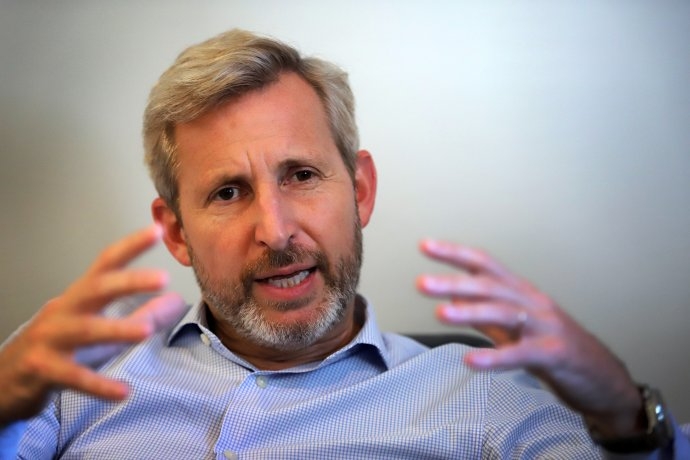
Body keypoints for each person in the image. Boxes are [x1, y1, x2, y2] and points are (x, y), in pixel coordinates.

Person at [0, 28, 687, 459]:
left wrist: (625, 413)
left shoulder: (481, 396)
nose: (275, 231)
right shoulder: (75, 373)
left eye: (301, 176)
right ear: (176, 231)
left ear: (359, 191)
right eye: (229, 192)